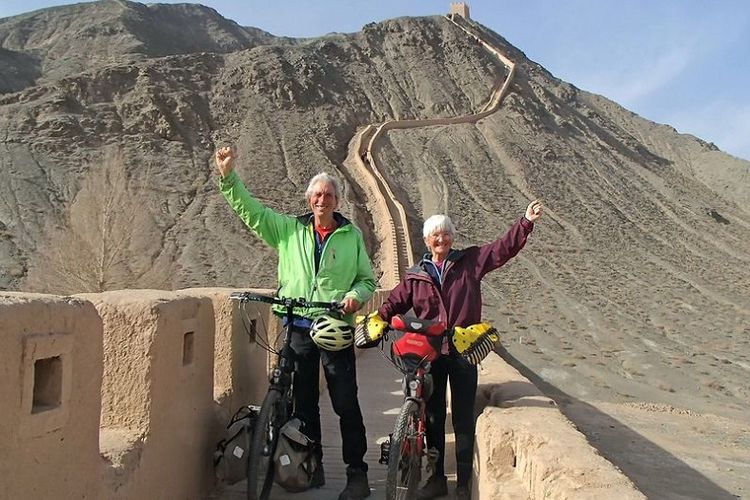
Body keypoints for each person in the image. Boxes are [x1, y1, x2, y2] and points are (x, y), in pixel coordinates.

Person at [215, 146, 376, 500]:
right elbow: (253, 213)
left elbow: (368, 280)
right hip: (299, 326)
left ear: (337, 201)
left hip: (335, 329)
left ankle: (357, 474)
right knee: (303, 404)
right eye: (317, 194)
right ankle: (309, 466)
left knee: (345, 402)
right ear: (309, 199)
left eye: (329, 195)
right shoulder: (289, 230)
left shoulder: (351, 237)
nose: (323, 200)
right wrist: (229, 178)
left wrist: (355, 297)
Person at [376, 201, 543, 500]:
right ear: (427, 241)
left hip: (463, 351)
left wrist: (525, 223)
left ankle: (464, 482)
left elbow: (501, 249)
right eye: (435, 236)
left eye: (446, 234)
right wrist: (378, 319)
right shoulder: (417, 275)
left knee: (463, 416)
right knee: (434, 415)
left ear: (452, 237)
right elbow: (394, 302)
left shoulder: (470, 261)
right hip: (430, 352)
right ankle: (437, 478)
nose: (442, 240)